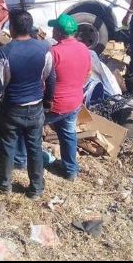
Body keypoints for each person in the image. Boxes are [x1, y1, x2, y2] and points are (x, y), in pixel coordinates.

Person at [0, 10, 55, 200]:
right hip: (36, 107)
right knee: (35, 148)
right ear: (30, 27)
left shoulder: (6, 51)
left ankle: (4, 185)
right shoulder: (44, 48)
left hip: (12, 108)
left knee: (7, 147)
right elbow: (50, 78)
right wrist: (48, 101)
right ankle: (36, 188)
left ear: (12, 28)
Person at [43, 14, 92, 180]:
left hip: (55, 104)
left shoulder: (54, 52)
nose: (52, 30)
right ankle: (71, 170)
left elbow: (43, 78)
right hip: (75, 101)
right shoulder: (84, 49)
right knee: (68, 133)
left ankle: (26, 160)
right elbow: (88, 73)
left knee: (30, 128)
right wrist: (75, 86)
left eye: (54, 28)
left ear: (58, 32)